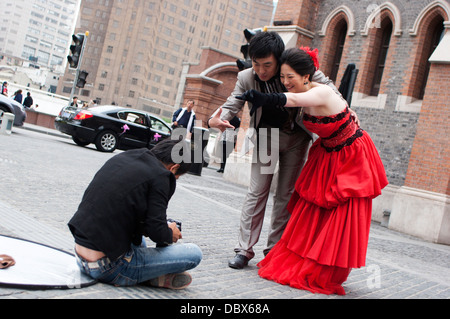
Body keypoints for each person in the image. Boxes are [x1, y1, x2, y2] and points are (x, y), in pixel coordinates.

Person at [237, 47, 388, 295]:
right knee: (301, 207)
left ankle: (324, 266)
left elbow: (296, 100)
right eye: (282, 77)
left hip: (350, 156)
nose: (284, 82)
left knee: (336, 214)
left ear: (307, 76)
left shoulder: (320, 91)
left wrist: (264, 97)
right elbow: (281, 95)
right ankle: (246, 249)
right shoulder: (288, 84)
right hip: (319, 151)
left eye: (290, 77)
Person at [208, 31, 358, 269]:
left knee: (286, 195)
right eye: (256, 64)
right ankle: (244, 249)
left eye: (267, 65)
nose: (261, 71)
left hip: (297, 138)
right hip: (268, 137)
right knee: (258, 192)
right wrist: (215, 120)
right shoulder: (247, 77)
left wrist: (347, 111)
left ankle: (274, 251)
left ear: (278, 59)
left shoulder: (295, 67)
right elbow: (232, 103)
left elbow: (331, 90)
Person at [68, 139, 203, 289]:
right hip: (108, 267)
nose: (174, 179)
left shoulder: (128, 156)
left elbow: (131, 213)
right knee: (194, 253)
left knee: (140, 243)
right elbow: (157, 233)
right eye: (177, 177)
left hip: (80, 257)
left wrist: (162, 226)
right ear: (174, 168)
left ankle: (150, 275)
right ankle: (141, 275)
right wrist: (169, 233)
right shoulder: (162, 175)